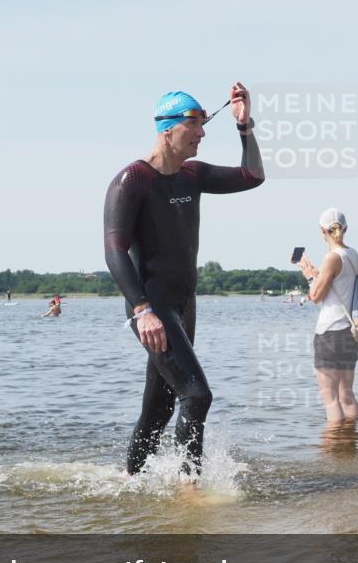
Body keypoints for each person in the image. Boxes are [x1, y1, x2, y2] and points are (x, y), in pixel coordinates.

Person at [104, 84, 264, 476]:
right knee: (197, 395)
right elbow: (114, 250)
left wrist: (245, 128)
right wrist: (142, 310)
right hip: (152, 308)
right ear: (167, 128)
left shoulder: (192, 175)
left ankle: (131, 480)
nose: (203, 133)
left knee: (159, 406)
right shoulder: (133, 180)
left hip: (183, 306)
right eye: (195, 125)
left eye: (203, 124)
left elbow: (252, 175)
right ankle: (188, 486)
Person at [295, 208, 358, 423]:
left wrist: (309, 277)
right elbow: (335, 288)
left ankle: (334, 450)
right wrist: (318, 275)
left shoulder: (331, 258)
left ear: (321, 230)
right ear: (346, 229)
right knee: (347, 394)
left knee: (330, 397)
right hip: (350, 330)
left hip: (330, 332)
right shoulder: (352, 254)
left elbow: (315, 296)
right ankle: (351, 442)